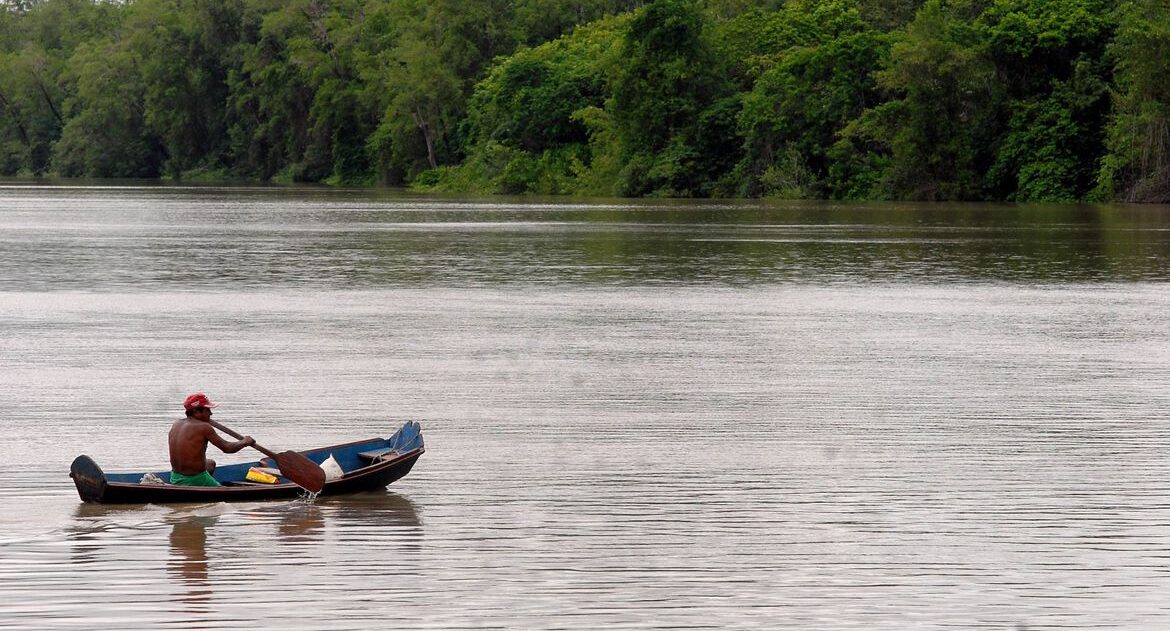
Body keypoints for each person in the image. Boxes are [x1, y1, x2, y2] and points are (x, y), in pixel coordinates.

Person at [168, 393, 255, 486]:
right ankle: (204, 484)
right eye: (207, 410)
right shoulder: (204, 427)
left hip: (175, 476)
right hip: (194, 479)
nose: (211, 413)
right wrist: (245, 442)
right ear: (196, 411)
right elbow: (227, 448)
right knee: (225, 491)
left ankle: (203, 484)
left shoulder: (176, 423)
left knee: (210, 463)